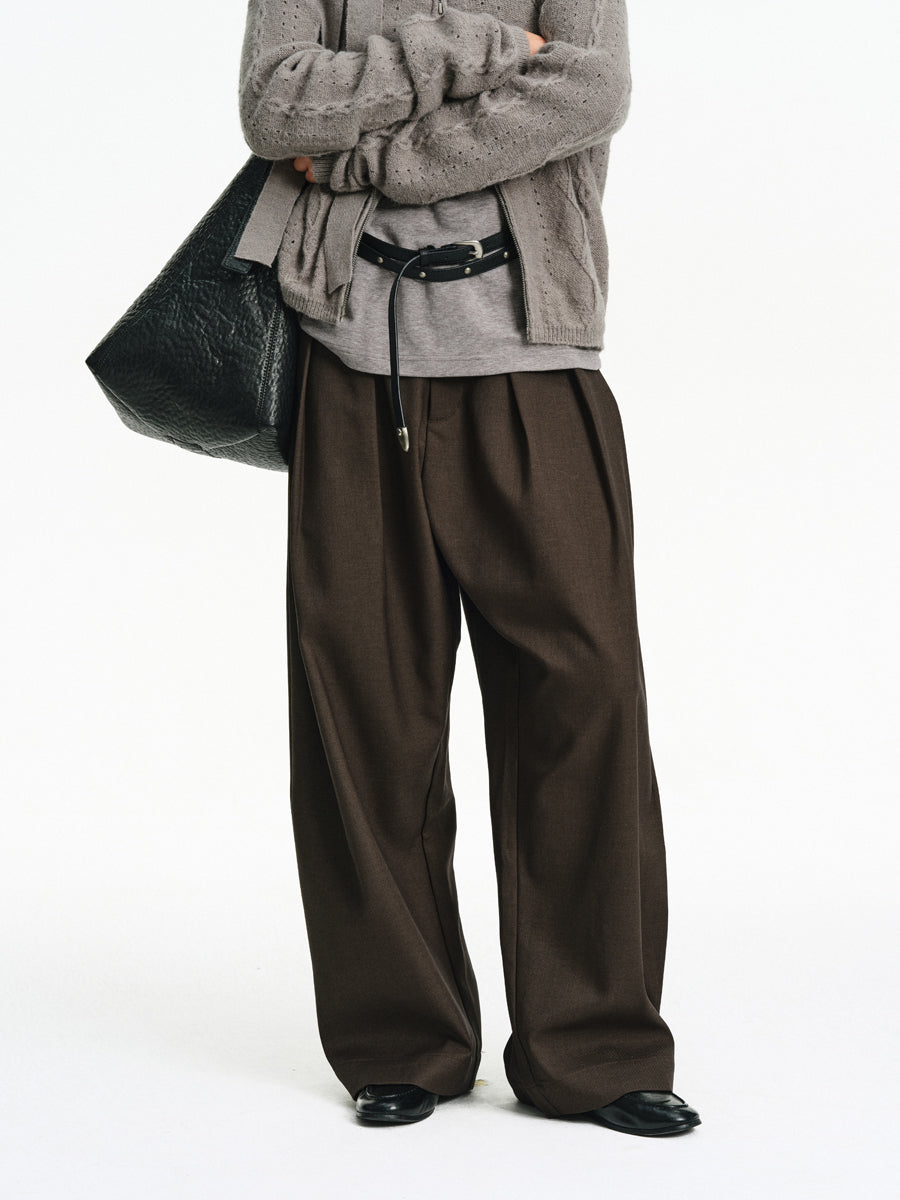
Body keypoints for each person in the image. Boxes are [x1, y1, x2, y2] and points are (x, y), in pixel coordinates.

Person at [238, 0, 702, 1134]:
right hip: (350, 357)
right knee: (363, 704)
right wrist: (479, 47)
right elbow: (274, 108)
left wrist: (376, 159)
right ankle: (400, 1041)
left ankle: (595, 1049)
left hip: (535, 358)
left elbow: (589, 89)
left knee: (583, 699)